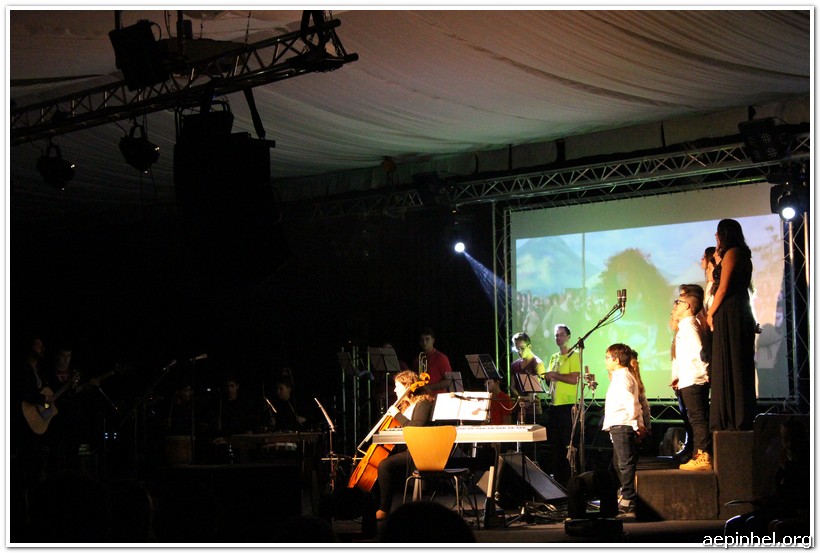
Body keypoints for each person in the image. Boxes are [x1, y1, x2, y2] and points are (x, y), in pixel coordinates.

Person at [707, 219, 756, 431]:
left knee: (734, 360)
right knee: (727, 360)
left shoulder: (734, 252)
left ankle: (735, 418)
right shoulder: (731, 253)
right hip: (731, 309)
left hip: (731, 310)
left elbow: (724, 288)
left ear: (725, 234)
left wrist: (710, 313)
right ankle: (729, 416)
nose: (715, 236)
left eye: (718, 233)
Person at [375, 370, 435, 520]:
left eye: (397, 386)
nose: (395, 390)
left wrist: (397, 414)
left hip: (421, 452)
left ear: (408, 386)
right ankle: (373, 504)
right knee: (378, 463)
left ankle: (384, 509)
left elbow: (416, 427)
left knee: (385, 465)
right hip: (411, 448)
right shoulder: (408, 405)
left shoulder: (423, 403)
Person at [669, 284, 712, 471]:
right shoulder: (684, 327)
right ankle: (697, 454)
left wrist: (705, 374)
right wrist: (678, 376)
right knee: (694, 418)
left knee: (698, 418)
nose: (675, 305)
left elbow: (700, 352)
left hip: (695, 379)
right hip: (688, 379)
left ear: (687, 306)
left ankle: (703, 455)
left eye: (678, 302)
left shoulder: (690, 326)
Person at [602, 343, 647, 515]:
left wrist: (636, 424)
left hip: (623, 424)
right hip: (619, 424)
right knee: (618, 463)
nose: (606, 361)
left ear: (616, 359)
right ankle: (625, 495)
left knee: (625, 463)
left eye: (607, 357)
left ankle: (629, 498)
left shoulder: (622, 377)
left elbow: (632, 403)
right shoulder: (620, 376)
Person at [542, 324, 581, 486]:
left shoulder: (574, 355)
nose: (558, 338)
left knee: (568, 444)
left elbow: (574, 378)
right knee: (555, 444)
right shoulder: (554, 357)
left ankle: (571, 479)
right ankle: (558, 479)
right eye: (556, 335)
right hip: (554, 404)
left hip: (568, 405)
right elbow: (551, 379)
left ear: (569, 336)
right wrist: (547, 377)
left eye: (561, 335)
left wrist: (555, 375)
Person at [509, 332, 546, 425]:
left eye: (522, 348)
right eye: (517, 349)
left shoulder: (537, 363)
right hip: (518, 407)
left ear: (529, 347)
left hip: (533, 411)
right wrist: (519, 399)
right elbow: (512, 386)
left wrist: (524, 405)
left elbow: (534, 390)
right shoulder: (514, 365)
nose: (519, 352)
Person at [410, 328, 453, 394]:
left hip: (437, 397)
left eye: (427, 339)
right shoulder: (417, 360)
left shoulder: (441, 358)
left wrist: (429, 387)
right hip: (422, 396)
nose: (424, 342)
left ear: (433, 340)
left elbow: (448, 381)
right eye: (422, 340)